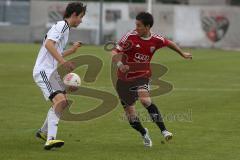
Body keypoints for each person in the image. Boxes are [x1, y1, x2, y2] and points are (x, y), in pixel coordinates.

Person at [112, 12, 192, 147]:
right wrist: (120, 64)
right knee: (131, 116)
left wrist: (182, 53)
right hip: (124, 78)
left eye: (139, 26)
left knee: (145, 100)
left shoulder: (156, 39)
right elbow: (115, 52)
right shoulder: (130, 37)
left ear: (147, 27)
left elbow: (169, 43)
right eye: (135, 25)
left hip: (142, 75)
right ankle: (144, 133)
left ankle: (164, 130)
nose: (136, 28)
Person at [33, 2, 86, 150]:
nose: (81, 20)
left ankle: (43, 132)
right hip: (43, 71)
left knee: (63, 102)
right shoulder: (61, 25)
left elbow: (56, 50)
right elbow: (49, 45)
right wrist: (63, 62)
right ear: (74, 14)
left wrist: (72, 51)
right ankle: (50, 139)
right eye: (81, 17)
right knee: (59, 101)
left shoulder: (65, 29)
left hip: (51, 71)